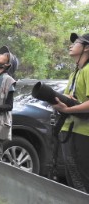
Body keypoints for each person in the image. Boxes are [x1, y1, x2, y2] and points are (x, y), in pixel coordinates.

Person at [53, 32, 89, 193]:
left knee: (82, 180)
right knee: (73, 179)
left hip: (83, 133)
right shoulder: (74, 73)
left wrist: (68, 109)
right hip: (68, 130)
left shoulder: (88, 70)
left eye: (76, 43)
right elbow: (71, 99)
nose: (70, 45)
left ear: (86, 48)